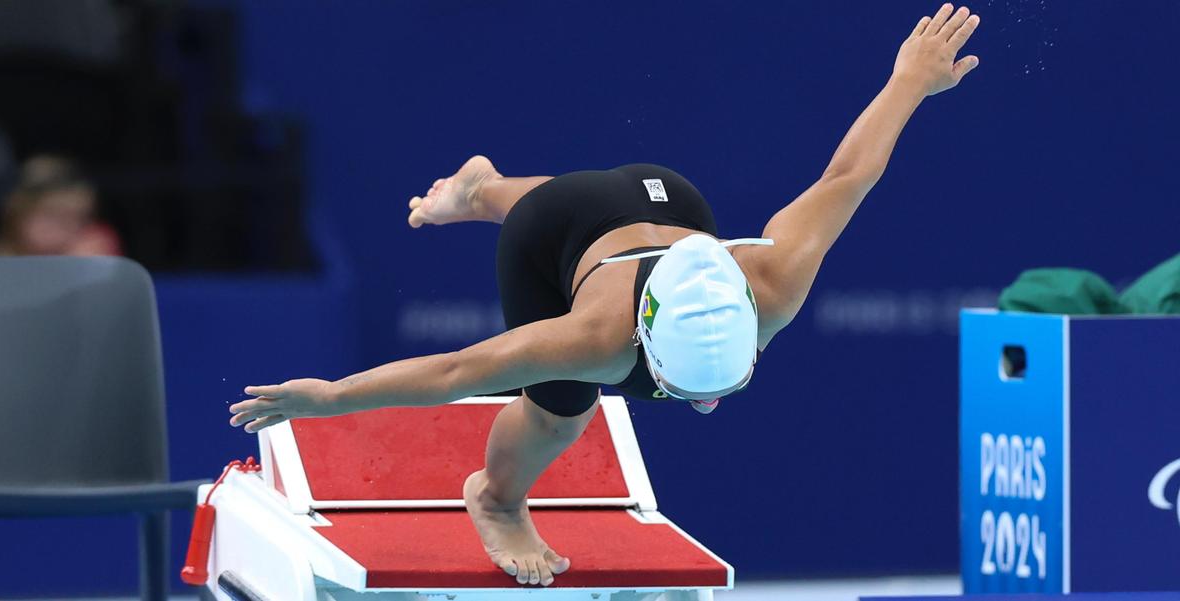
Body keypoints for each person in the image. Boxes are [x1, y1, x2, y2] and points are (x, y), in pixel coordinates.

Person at [230, 4, 980, 587]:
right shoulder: (589, 337)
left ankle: (477, 184)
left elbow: (848, 177)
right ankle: (495, 496)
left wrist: (910, 78)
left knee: (597, 214)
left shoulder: (773, 280)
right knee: (563, 413)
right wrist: (325, 398)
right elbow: (456, 372)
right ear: (641, 339)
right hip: (557, 231)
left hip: (662, 199)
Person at [0, 155, 121, 256]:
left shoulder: (92, 253)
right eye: (54, 215)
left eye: (82, 218)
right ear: (19, 212)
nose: (69, 227)